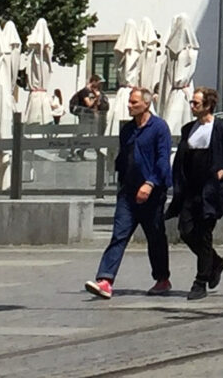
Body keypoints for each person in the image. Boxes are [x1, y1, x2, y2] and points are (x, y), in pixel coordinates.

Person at [85, 85, 173, 298]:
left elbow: (163, 160)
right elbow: (124, 157)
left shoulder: (159, 127)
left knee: (155, 236)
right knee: (119, 234)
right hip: (128, 192)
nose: (129, 105)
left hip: (152, 192)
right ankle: (105, 280)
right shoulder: (127, 129)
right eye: (129, 102)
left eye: (134, 102)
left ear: (146, 103)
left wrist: (150, 183)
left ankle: (162, 279)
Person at [170, 86, 223, 300]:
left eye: (196, 103)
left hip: (211, 190)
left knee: (204, 234)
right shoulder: (188, 128)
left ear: (208, 105)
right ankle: (215, 262)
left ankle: (200, 281)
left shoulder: (221, 129)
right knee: (186, 231)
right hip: (190, 188)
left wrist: (220, 174)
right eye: (192, 102)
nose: (192, 106)